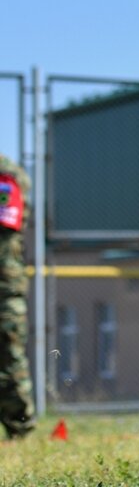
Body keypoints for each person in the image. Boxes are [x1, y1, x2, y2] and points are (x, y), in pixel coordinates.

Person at [0, 154, 34, 440]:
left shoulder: (5, 175)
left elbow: (6, 225)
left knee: (9, 357)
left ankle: (19, 429)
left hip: (3, 287)